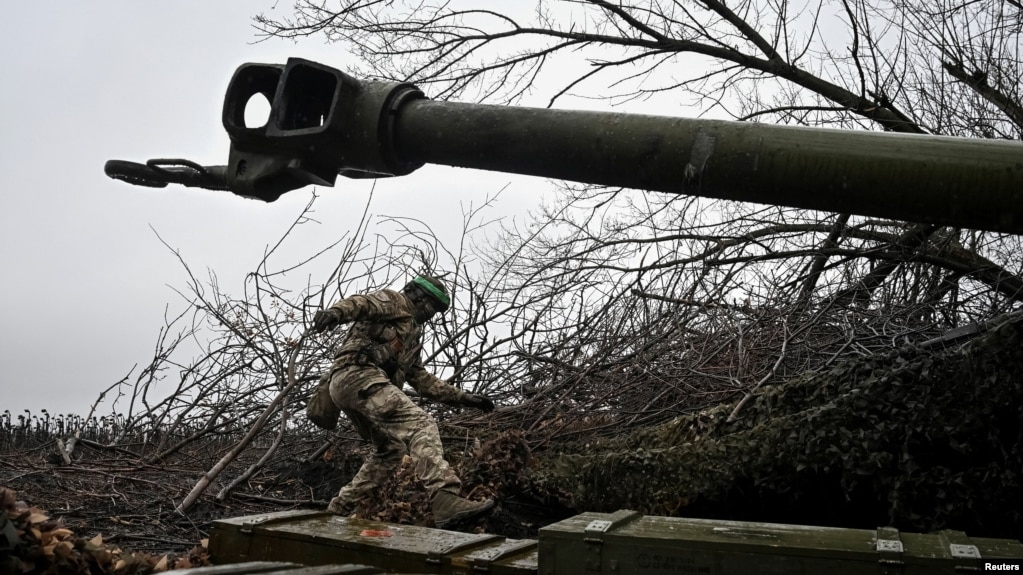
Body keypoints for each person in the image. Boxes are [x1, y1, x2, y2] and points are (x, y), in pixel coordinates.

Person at [312, 275, 496, 528]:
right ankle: (444, 497)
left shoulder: (411, 336)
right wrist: (335, 312)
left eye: (437, 310)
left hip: (353, 386)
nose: (432, 314)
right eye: (432, 305)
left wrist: (462, 398)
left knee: (391, 450)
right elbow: (362, 303)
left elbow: (420, 378)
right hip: (358, 375)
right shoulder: (395, 301)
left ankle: (339, 508)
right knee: (421, 424)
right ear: (416, 294)